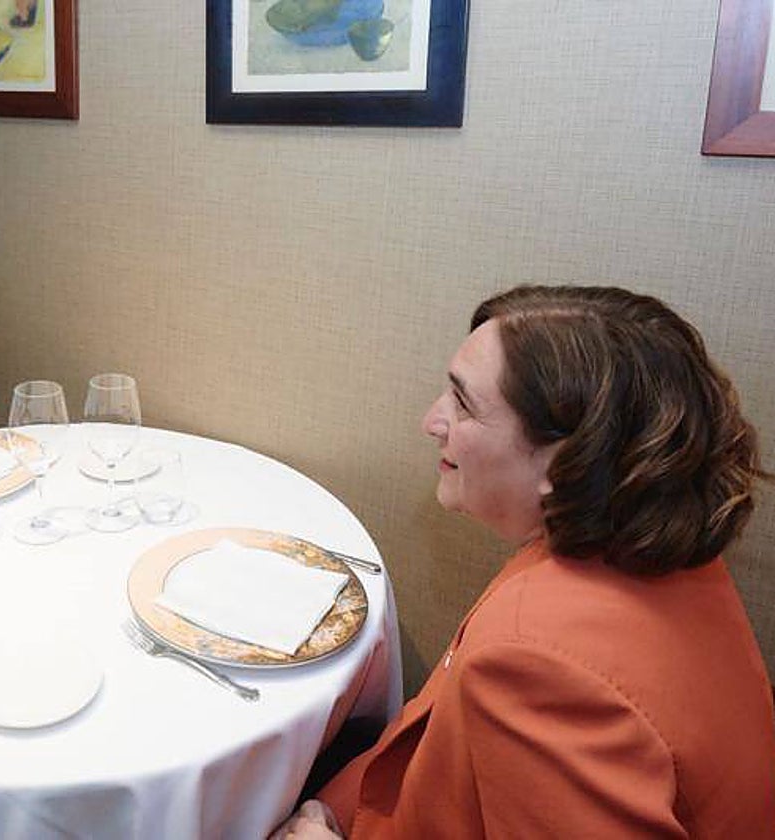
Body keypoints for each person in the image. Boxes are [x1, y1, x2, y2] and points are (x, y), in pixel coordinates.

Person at [276, 285, 775, 838]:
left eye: (463, 404)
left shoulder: (542, 672)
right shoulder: (656, 544)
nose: (431, 421)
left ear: (568, 463)